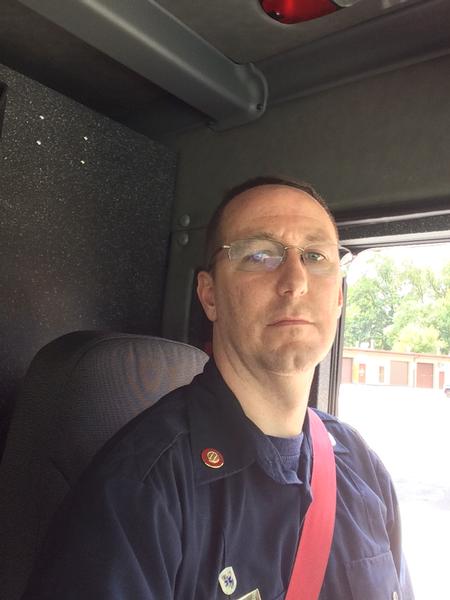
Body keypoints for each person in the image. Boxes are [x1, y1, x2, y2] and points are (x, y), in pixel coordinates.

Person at [22, 177, 414, 599]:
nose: (295, 280)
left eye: (316, 255)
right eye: (260, 255)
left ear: (338, 297)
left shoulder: (360, 464)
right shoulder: (139, 492)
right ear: (210, 296)